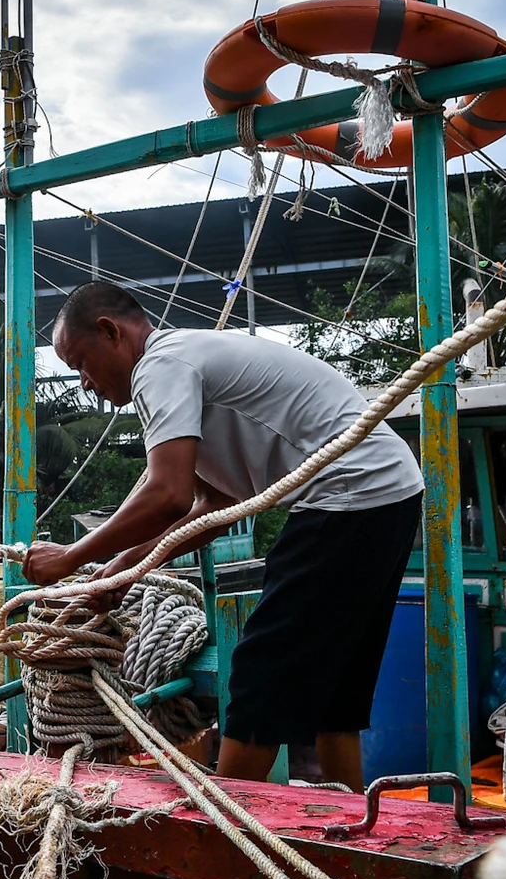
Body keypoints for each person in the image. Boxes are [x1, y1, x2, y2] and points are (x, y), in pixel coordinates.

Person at [23, 282, 425, 792]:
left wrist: (71, 557)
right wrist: (124, 567)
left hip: (347, 491)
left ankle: (228, 828)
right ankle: (354, 820)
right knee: (336, 688)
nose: (85, 383)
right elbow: (212, 506)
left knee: (259, 672)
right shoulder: (185, 362)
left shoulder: (160, 366)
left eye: (81, 362)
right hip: (388, 490)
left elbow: (166, 493)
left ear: (111, 332)